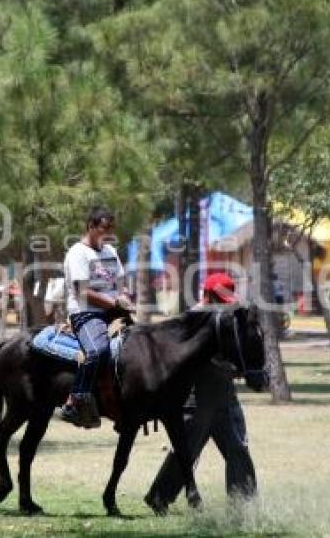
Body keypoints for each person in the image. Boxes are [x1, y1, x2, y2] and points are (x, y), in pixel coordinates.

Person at [144, 272, 257, 512]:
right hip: (196, 398)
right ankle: (159, 496)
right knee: (187, 451)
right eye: (218, 298)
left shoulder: (227, 317)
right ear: (206, 295)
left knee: (238, 448)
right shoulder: (191, 320)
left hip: (225, 395)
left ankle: (244, 504)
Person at [60, 207, 133, 429]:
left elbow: (121, 284)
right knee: (97, 351)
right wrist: (115, 303)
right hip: (85, 313)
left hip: (113, 312)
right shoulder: (77, 253)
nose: (108, 233)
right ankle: (75, 400)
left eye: (111, 229)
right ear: (91, 226)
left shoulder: (110, 251)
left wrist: (124, 297)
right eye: (104, 228)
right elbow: (82, 291)